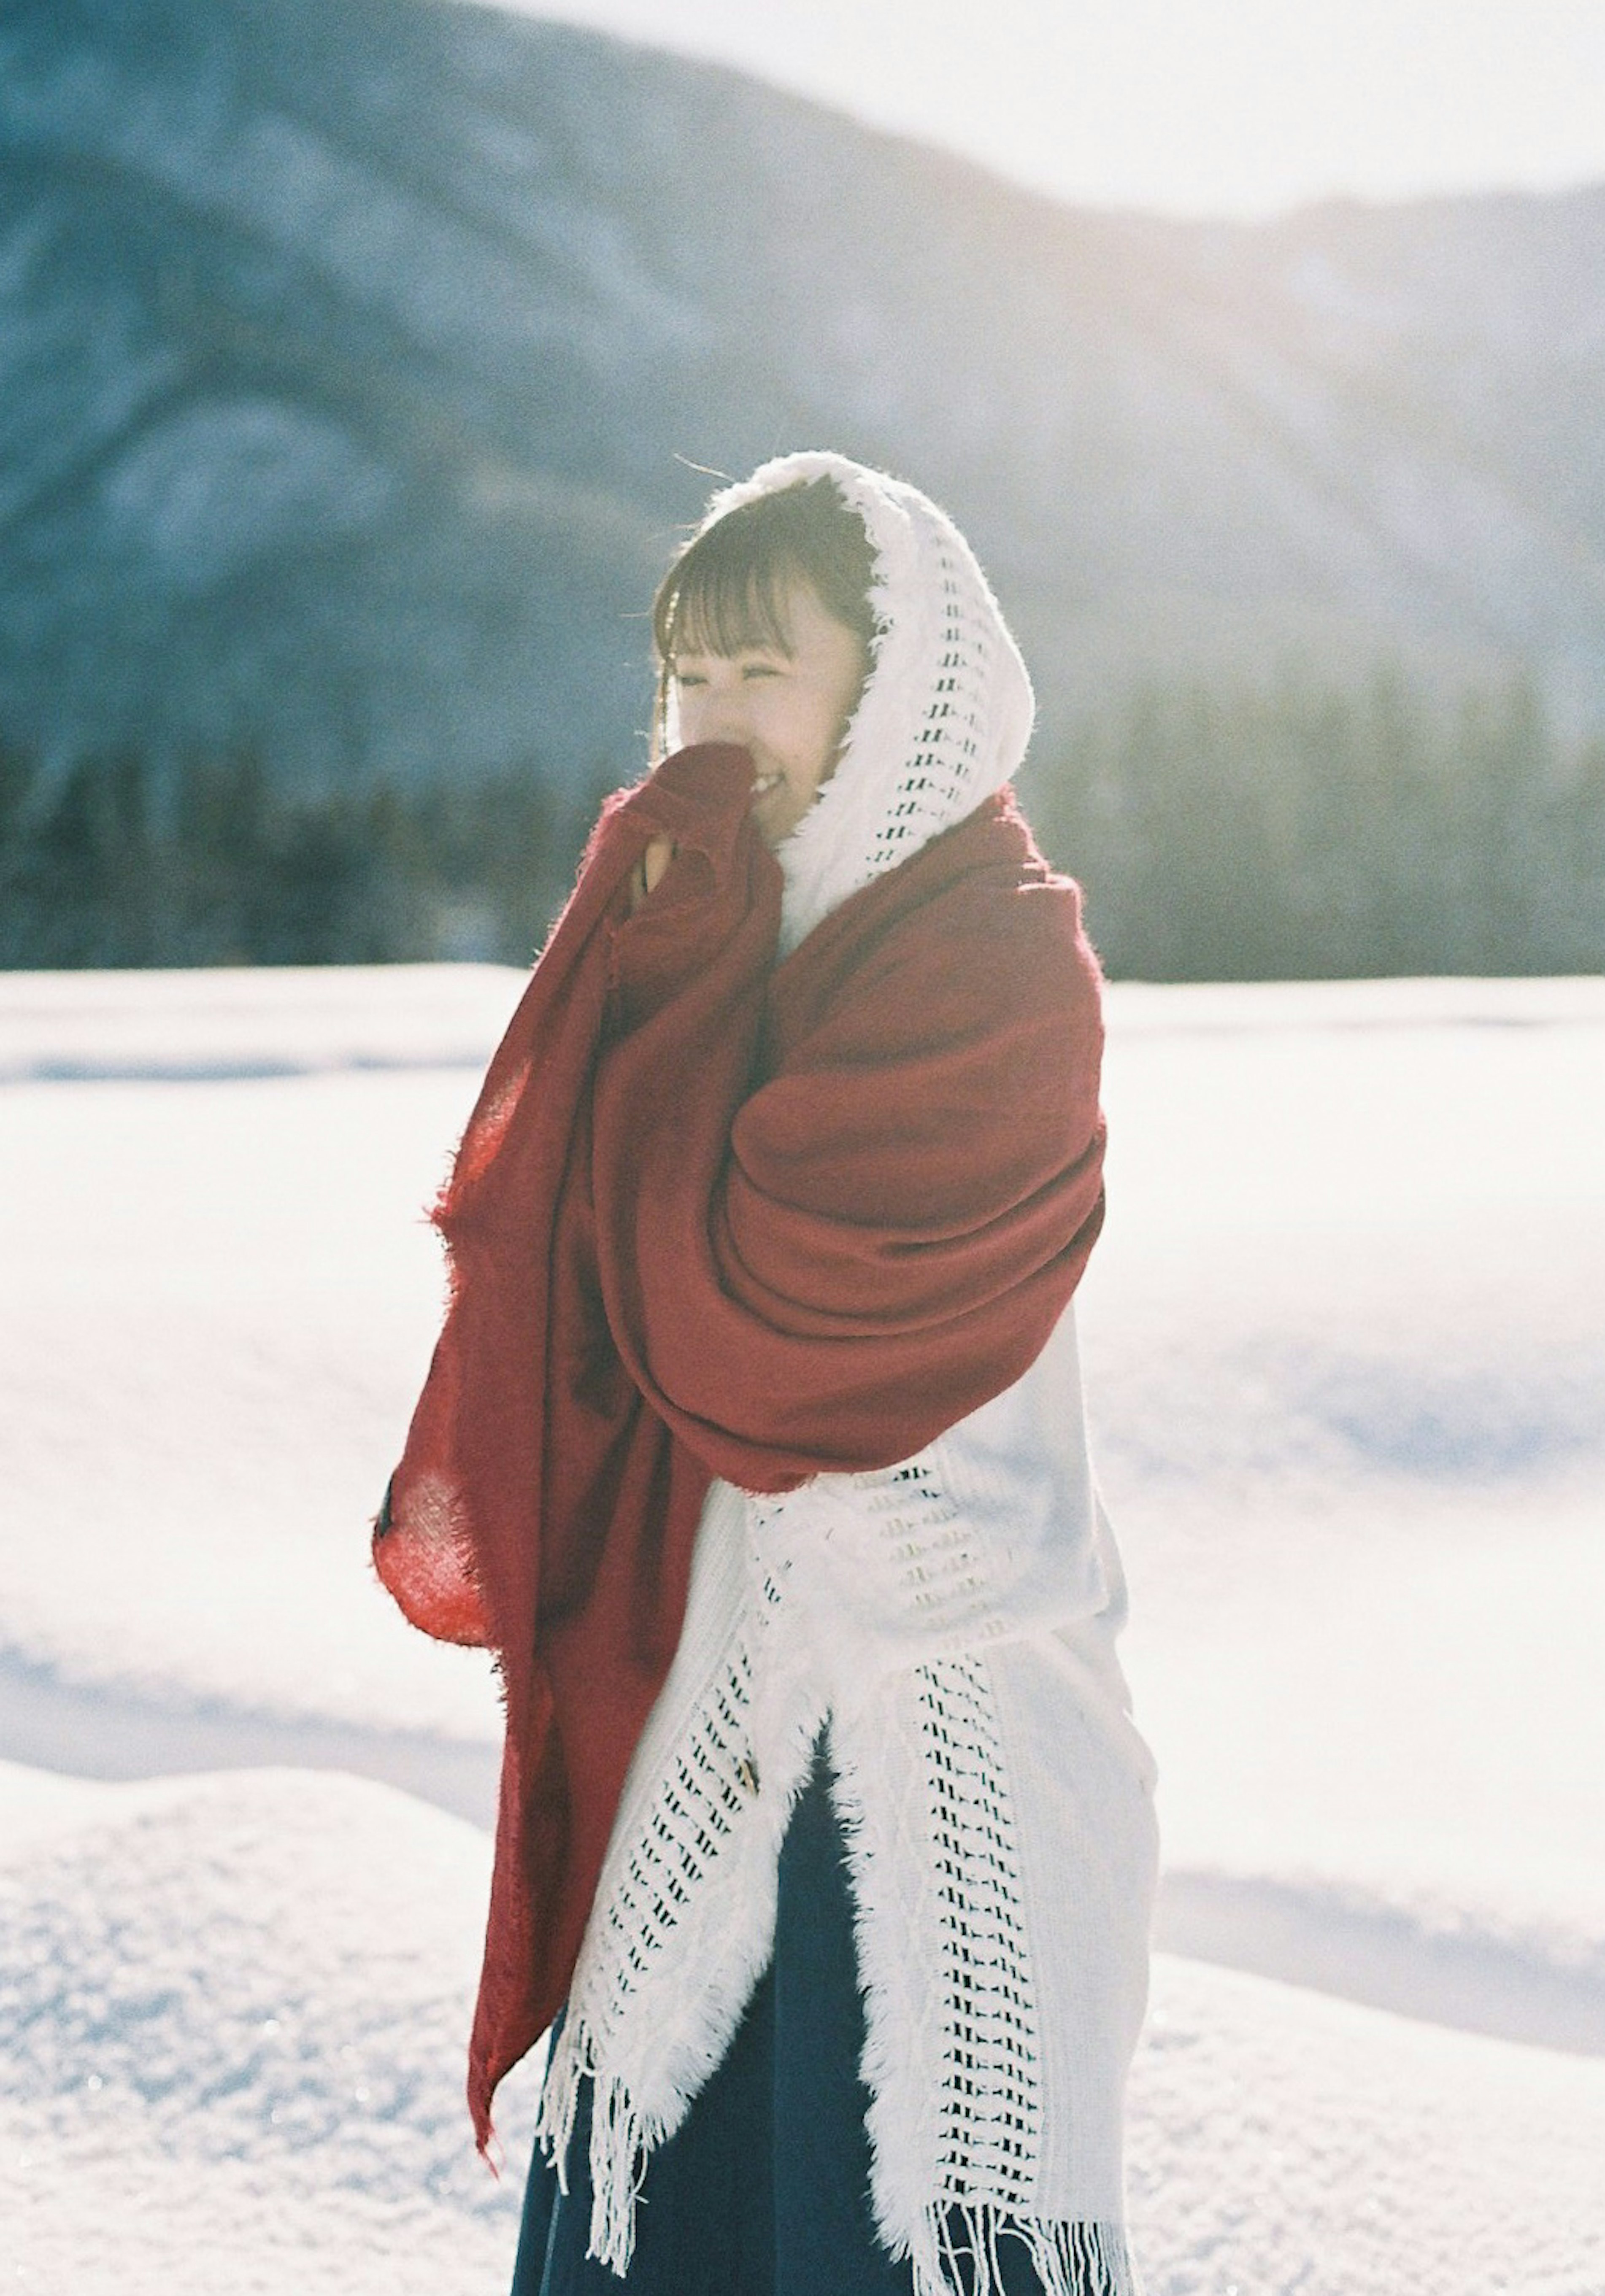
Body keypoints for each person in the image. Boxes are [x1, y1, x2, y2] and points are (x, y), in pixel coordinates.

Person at [374, 453, 1158, 2296]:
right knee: (668, 2211)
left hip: (937, 1703)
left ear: (894, 692)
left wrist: (671, 989)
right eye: (688, 680)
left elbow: (770, 1346)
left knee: (894, 2207)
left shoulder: (992, 960)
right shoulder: (699, 936)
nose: (715, 724)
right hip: (710, 1718)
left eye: (764, 674)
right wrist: (673, 967)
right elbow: (566, 1292)